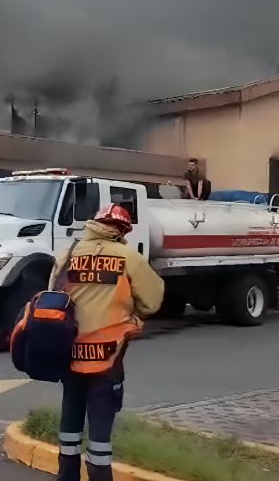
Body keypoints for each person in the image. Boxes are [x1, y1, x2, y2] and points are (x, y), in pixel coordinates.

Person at [49, 204, 164, 481]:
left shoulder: (68, 254)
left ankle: (67, 476)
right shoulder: (128, 257)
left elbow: (52, 295)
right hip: (107, 356)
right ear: (121, 230)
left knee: (70, 422)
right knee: (100, 432)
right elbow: (152, 301)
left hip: (69, 352)